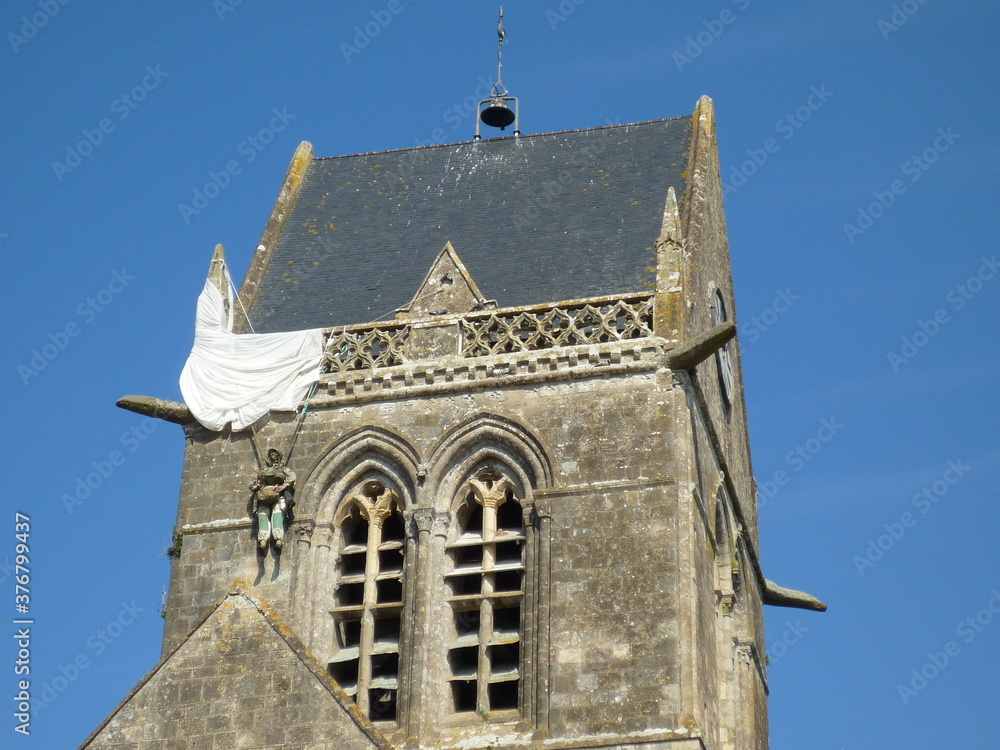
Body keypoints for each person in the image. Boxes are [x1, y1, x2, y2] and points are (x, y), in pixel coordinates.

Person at [250, 448, 295, 550]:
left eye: (275, 454)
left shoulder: (283, 469)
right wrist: (258, 485)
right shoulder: (263, 471)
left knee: (277, 516)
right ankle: (262, 542)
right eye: (271, 454)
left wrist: (284, 486)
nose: (273, 456)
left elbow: (292, 477)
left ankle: (278, 541)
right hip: (263, 498)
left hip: (278, 497)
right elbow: (255, 485)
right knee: (262, 517)